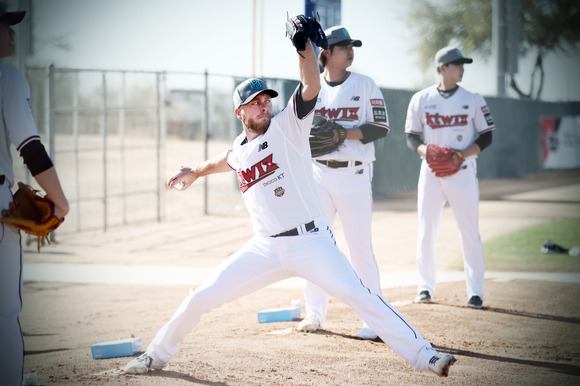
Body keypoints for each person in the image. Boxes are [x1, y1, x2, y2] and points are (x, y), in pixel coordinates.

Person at [123, 20, 456, 378]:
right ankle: (154, 356)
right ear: (241, 113)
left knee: (360, 294)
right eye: (255, 102)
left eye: (266, 99)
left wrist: (303, 49)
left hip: (311, 242)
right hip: (264, 248)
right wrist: (195, 172)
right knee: (200, 297)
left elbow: (311, 84)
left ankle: (425, 355)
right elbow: (226, 159)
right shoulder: (240, 148)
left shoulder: (288, 126)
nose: (264, 105)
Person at [298, 26, 389, 340]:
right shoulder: (312, 87)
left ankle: (375, 318)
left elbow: (380, 127)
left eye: (352, 46)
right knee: (315, 243)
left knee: (359, 247)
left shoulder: (365, 85)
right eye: (342, 46)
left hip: (354, 173)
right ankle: (314, 312)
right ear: (325, 53)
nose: (350, 51)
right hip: (318, 173)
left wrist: (342, 134)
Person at [0, 4, 70, 385]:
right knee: (5, 313)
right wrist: (60, 201)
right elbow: (31, 149)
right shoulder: (7, 78)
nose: (12, 32)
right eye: (5, 24)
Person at [404, 46, 495, 309]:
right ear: (443, 68)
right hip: (431, 172)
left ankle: (475, 291)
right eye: (457, 64)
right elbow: (412, 137)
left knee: (469, 231)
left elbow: (487, 136)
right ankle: (424, 287)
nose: (462, 68)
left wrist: (460, 155)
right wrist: (428, 151)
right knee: (426, 230)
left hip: (463, 172)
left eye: (463, 64)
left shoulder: (473, 98)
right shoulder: (421, 99)